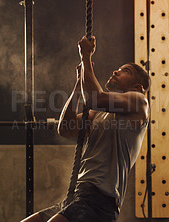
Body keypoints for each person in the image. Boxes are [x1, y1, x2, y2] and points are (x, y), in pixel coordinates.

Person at [21, 35, 150, 222]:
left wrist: (86, 56)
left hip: (99, 200)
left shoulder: (139, 103)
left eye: (125, 71)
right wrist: (77, 84)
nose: (116, 71)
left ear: (137, 87)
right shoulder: (98, 114)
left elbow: (94, 98)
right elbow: (65, 128)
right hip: (79, 195)